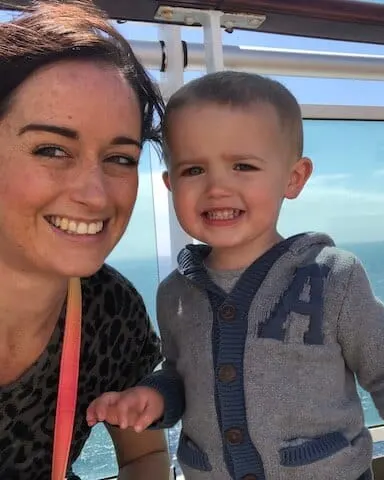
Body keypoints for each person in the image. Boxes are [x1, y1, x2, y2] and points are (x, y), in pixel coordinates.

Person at [87, 71, 384, 480]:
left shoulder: (332, 276)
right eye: (194, 170)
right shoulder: (175, 292)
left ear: (293, 178)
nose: (217, 188)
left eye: (242, 166)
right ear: (171, 185)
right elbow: (182, 376)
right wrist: (154, 396)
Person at [0, 1, 171, 479]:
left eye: (120, 158)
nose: (95, 196)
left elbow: (146, 456)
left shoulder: (107, 306)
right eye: (52, 150)